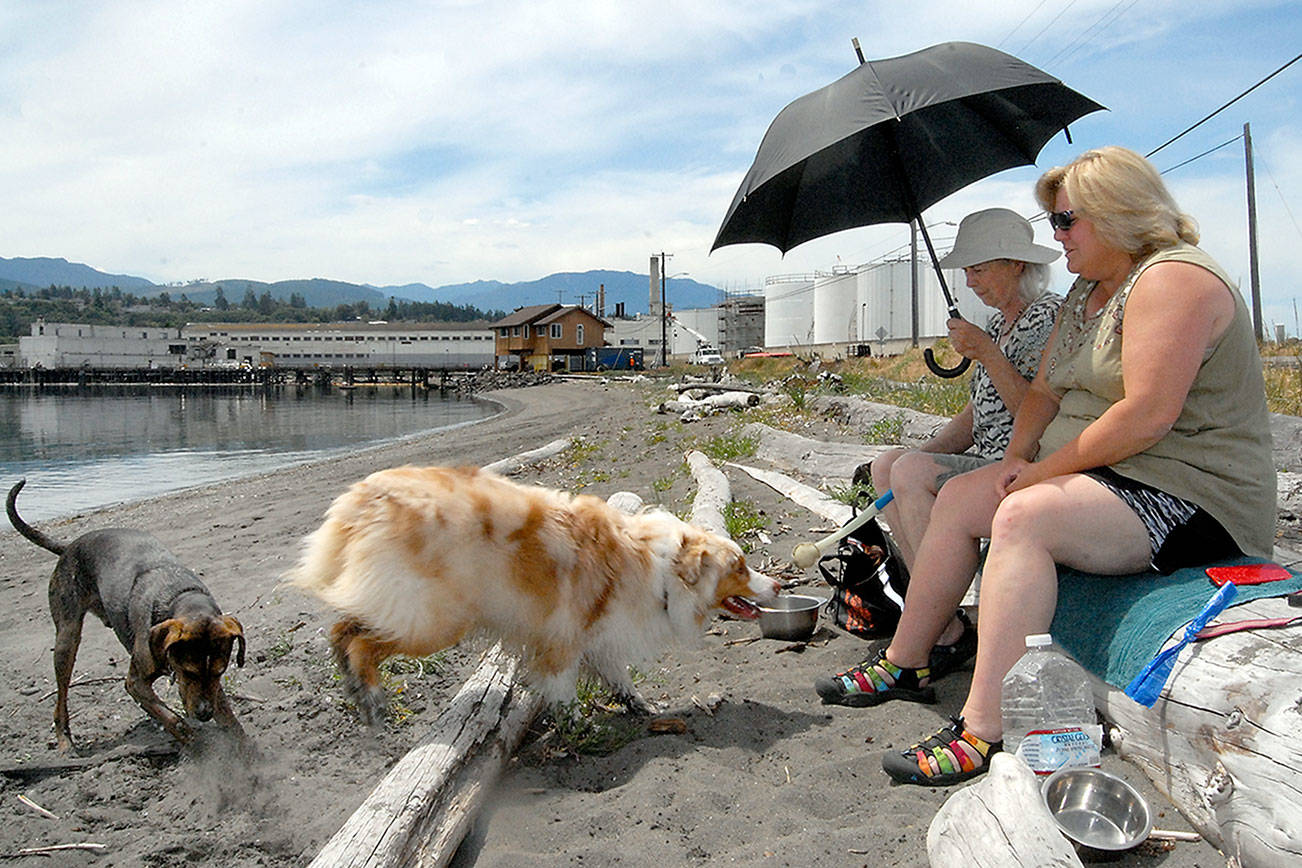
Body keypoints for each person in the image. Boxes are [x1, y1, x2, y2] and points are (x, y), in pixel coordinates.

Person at [870, 145, 1275, 786]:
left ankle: (983, 725)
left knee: (1025, 515)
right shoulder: (1088, 293)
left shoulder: (1174, 279)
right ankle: (910, 656)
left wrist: (1037, 477)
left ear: (1117, 212)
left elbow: (1146, 416)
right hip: (1109, 478)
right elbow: (1044, 393)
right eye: (1054, 221)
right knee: (962, 497)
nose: (1055, 236)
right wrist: (1012, 459)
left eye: (1065, 221)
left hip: (1186, 491)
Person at [815, 208, 1062, 707]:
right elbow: (978, 414)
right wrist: (917, 456)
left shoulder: (1045, 318)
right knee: (891, 465)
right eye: (965, 271)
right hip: (991, 456)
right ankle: (945, 626)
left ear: (1016, 264)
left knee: (907, 470)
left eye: (979, 268)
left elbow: (1038, 413)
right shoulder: (1000, 322)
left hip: (1025, 461)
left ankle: (926, 634)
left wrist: (990, 353)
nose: (969, 281)